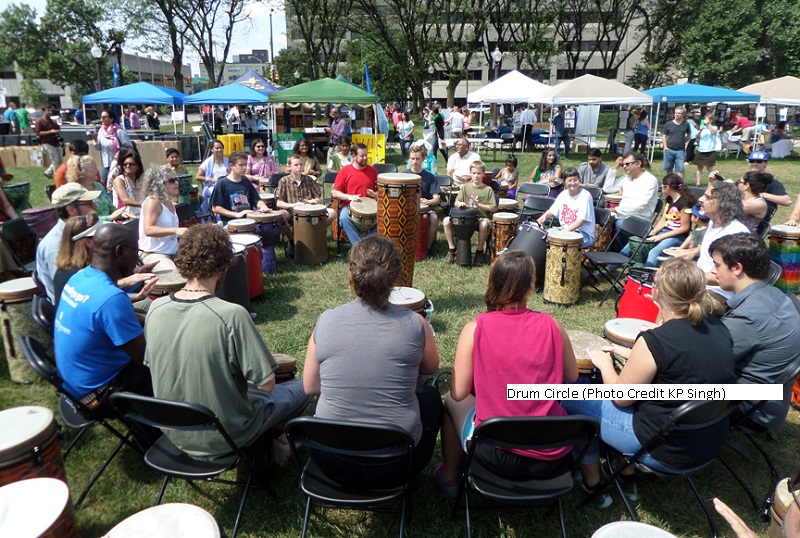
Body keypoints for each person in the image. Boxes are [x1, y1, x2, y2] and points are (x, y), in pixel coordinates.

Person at [562, 258, 736, 508]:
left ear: (656, 292)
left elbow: (621, 397)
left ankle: (592, 478)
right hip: (706, 444)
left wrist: (605, 364)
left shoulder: (657, 340)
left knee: (567, 396)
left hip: (663, 449)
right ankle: (624, 471)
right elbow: (683, 367)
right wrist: (631, 354)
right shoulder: (719, 327)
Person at [145, 224, 309, 460]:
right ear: (223, 265)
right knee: (305, 387)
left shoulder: (156, 309)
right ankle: (277, 449)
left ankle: (273, 446)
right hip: (227, 435)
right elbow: (267, 385)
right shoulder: (232, 315)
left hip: (174, 433)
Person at [434, 250, 579, 498]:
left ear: (494, 281)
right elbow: (573, 377)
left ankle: (448, 477)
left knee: (449, 399)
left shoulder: (475, 328)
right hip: (552, 453)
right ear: (532, 286)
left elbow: (459, 393)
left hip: (494, 453)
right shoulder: (553, 325)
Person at [302, 236, 441, 485]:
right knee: (431, 397)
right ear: (396, 277)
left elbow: (310, 387)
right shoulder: (415, 323)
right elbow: (431, 368)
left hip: (331, 460)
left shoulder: (326, 320)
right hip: (397, 463)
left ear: (350, 274)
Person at [54, 223, 157, 415]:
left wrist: (155, 319)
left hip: (73, 388)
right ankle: (161, 432)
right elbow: (147, 357)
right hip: (97, 396)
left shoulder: (80, 277)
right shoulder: (110, 298)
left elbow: (108, 319)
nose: (137, 260)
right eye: (136, 251)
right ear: (120, 251)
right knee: (172, 365)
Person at [710, 233, 800, 432]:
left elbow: (703, 363)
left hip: (748, 407)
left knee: (656, 389)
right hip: (768, 402)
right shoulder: (778, 296)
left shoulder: (748, 318)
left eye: (717, 265)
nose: (712, 271)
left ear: (737, 268)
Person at [674, 181, 748, 312]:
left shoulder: (734, 233)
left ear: (722, 204)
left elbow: (729, 277)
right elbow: (710, 250)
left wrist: (689, 276)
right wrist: (694, 252)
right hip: (701, 285)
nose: (700, 199)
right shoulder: (713, 224)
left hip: (720, 295)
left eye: (707, 197)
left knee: (675, 301)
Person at [36, 183, 101, 302]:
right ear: (71, 209)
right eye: (89, 203)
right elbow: (70, 290)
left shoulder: (83, 231)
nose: (95, 206)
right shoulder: (54, 246)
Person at [619, 173, 694, 267]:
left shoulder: (684, 203)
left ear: (668, 187)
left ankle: (646, 275)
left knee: (654, 252)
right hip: (664, 232)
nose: (661, 189)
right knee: (636, 242)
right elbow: (663, 220)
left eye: (662, 187)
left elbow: (685, 228)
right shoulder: (669, 199)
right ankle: (611, 267)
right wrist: (654, 232)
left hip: (677, 236)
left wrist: (661, 237)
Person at [276, 153, 335, 254]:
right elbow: (279, 203)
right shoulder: (284, 181)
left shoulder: (309, 179)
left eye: (301, 164)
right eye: (296, 165)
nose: (299, 167)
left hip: (310, 211)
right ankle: (292, 240)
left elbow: (317, 198)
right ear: (289, 166)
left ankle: (314, 236)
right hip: (291, 211)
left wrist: (314, 201)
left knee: (332, 212)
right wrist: (292, 205)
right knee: (280, 215)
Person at [443, 160, 497, 266]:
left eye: (479, 173)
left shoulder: (488, 189)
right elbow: (456, 202)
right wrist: (460, 204)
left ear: (483, 174)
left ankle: (479, 251)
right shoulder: (465, 187)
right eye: (474, 173)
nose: (476, 176)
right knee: (445, 221)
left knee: (484, 224)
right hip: (466, 218)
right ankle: (452, 248)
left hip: (481, 218)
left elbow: (493, 208)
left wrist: (479, 205)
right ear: (470, 173)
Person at [711, 150, 791, 217]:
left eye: (759, 161)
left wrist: (762, 195)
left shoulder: (771, 182)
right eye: (752, 161)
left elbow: (787, 201)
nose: (755, 163)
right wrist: (713, 182)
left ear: (766, 163)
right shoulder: (744, 179)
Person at [138, 166, 187, 272]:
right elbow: (148, 229)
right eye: (171, 181)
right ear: (160, 184)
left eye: (176, 179)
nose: (176, 183)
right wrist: (176, 230)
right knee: (175, 276)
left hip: (173, 251)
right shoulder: (152, 202)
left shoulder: (169, 202)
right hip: (154, 253)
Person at [331, 143, 378, 246]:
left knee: (384, 219)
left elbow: (380, 191)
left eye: (366, 155)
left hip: (371, 208)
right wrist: (349, 196)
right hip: (349, 207)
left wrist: (375, 195)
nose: (365, 158)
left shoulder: (373, 171)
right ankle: (359, 246)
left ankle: (365, 244)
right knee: (344, 218)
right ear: (353, 156)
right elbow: (335, 193)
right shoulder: (345, 171)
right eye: (362, 156)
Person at [537, 167, 595, 247]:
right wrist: (544, 216)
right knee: (541, 236)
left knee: (556, 241)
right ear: (564, 182)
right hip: (565, 231)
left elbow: (580, 221)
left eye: (575, 180)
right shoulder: (563, 195)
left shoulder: (585, 195)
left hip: (584, 235)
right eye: (570, 181)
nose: (573, 183)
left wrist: (562, 233)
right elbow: (552, 211)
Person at [209, 151, 270, 224]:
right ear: (232, 166)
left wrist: (263, 206)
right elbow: (215, 208)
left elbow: (257, 200)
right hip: (230, 223)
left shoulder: (246, 182)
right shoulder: (222, 184)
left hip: (249, 221)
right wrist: (236, 214)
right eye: (241, 165)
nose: (244, 168)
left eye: (245, 164)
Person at [52, 213, 99, 308]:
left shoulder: (67, 268)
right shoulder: (80, 275)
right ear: (88, 242)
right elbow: (103, 301)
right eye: (101, 235)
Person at [404, 144, 440, 251]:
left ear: (423, 159)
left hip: (425, 209)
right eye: (412, 159)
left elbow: (436, 199)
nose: (414, 161)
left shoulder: (430, 177)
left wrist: (428, 201)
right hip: (407, 208)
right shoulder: (404, 175)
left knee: (433, 218)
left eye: (417, 159)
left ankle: (427, 248)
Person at [609, 152, 659, 224]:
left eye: (627, 164)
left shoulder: (649, 180)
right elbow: (608, 189)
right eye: (623, 164)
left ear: (638, 163)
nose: (624, 167)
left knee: (620, 224)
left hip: (641, 219)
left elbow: (640, 206)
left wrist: (616, 210)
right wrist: (614, 168)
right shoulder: (626, 178)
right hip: (622, 215)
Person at [65, 155, 115, 220]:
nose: (97, 171)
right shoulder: (76, 191)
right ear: (84, 172)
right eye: (94, 168)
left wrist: (122, 213)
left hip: (108, 226)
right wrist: (109, 218)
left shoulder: (98, 186)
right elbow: (83, 219)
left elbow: (111, 208)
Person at [92, 109, 132, 184]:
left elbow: (128, 146)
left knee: (116, 183)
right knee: (102, 182)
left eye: (104, 117)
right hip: (106, 164)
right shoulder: (101, 131)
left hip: (117, 164)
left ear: (111, 119)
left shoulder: (119, 131)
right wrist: (95, 139)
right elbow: (98, 148)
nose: (102, 119)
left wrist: (120, 153)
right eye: (101, 117)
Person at [195, 139, 229, 215]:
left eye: (221, 148)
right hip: (213, 186)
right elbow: (197, 176)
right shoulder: (208, 162)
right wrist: (211, 179)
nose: (219, 150)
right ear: (212, 149)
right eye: (217, 148)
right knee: (218, 192)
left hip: (227, 185)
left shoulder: (228, 161)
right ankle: (218, 212)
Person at [661, 107, 691, 179]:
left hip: (680, 150)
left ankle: (680, 185)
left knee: (680, 169)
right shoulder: (668, 124)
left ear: (683, 115)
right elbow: (664, 136)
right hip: (669, 149)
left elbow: (689, 134)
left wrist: (684, 141)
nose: (676, 115)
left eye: (679, 113)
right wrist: (665, 147)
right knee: (669, 169)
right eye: (676, 113)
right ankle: (670, 183)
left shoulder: (686, 124)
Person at [112, 150, 145, 217]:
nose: (127, 166)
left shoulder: (141, 181)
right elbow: (125, 200)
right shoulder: (119, 180)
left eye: (131, 164)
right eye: (125, 164)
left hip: (140, 214)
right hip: (124, 216)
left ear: (138, 167)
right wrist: (145, 204)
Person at [35, 105, 63, 179]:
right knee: (55, 160)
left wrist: (57, 131)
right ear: (43, 111)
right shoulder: (40, 122)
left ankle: (48, 172)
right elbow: (38, 133)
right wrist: (50, 132)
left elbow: (58, 128)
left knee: (60, 160)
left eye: (51, 110)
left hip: (55, 142)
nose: (50, 112)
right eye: (48, 110)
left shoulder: (52, 121)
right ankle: (58, 177)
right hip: (46, 143)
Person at [694, 114, 718, 186]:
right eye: (705, 119)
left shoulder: (714, 127)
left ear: (711, 120)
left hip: (710, 150)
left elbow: (713, 132)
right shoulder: (702, 128)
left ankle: (711, 183)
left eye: (708, 119)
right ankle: (698, 183)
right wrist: (700, 130)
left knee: (710, 168)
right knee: (699, 167)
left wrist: (708, 125)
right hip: (701, 149)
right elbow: (697, 136)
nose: (706, 121)